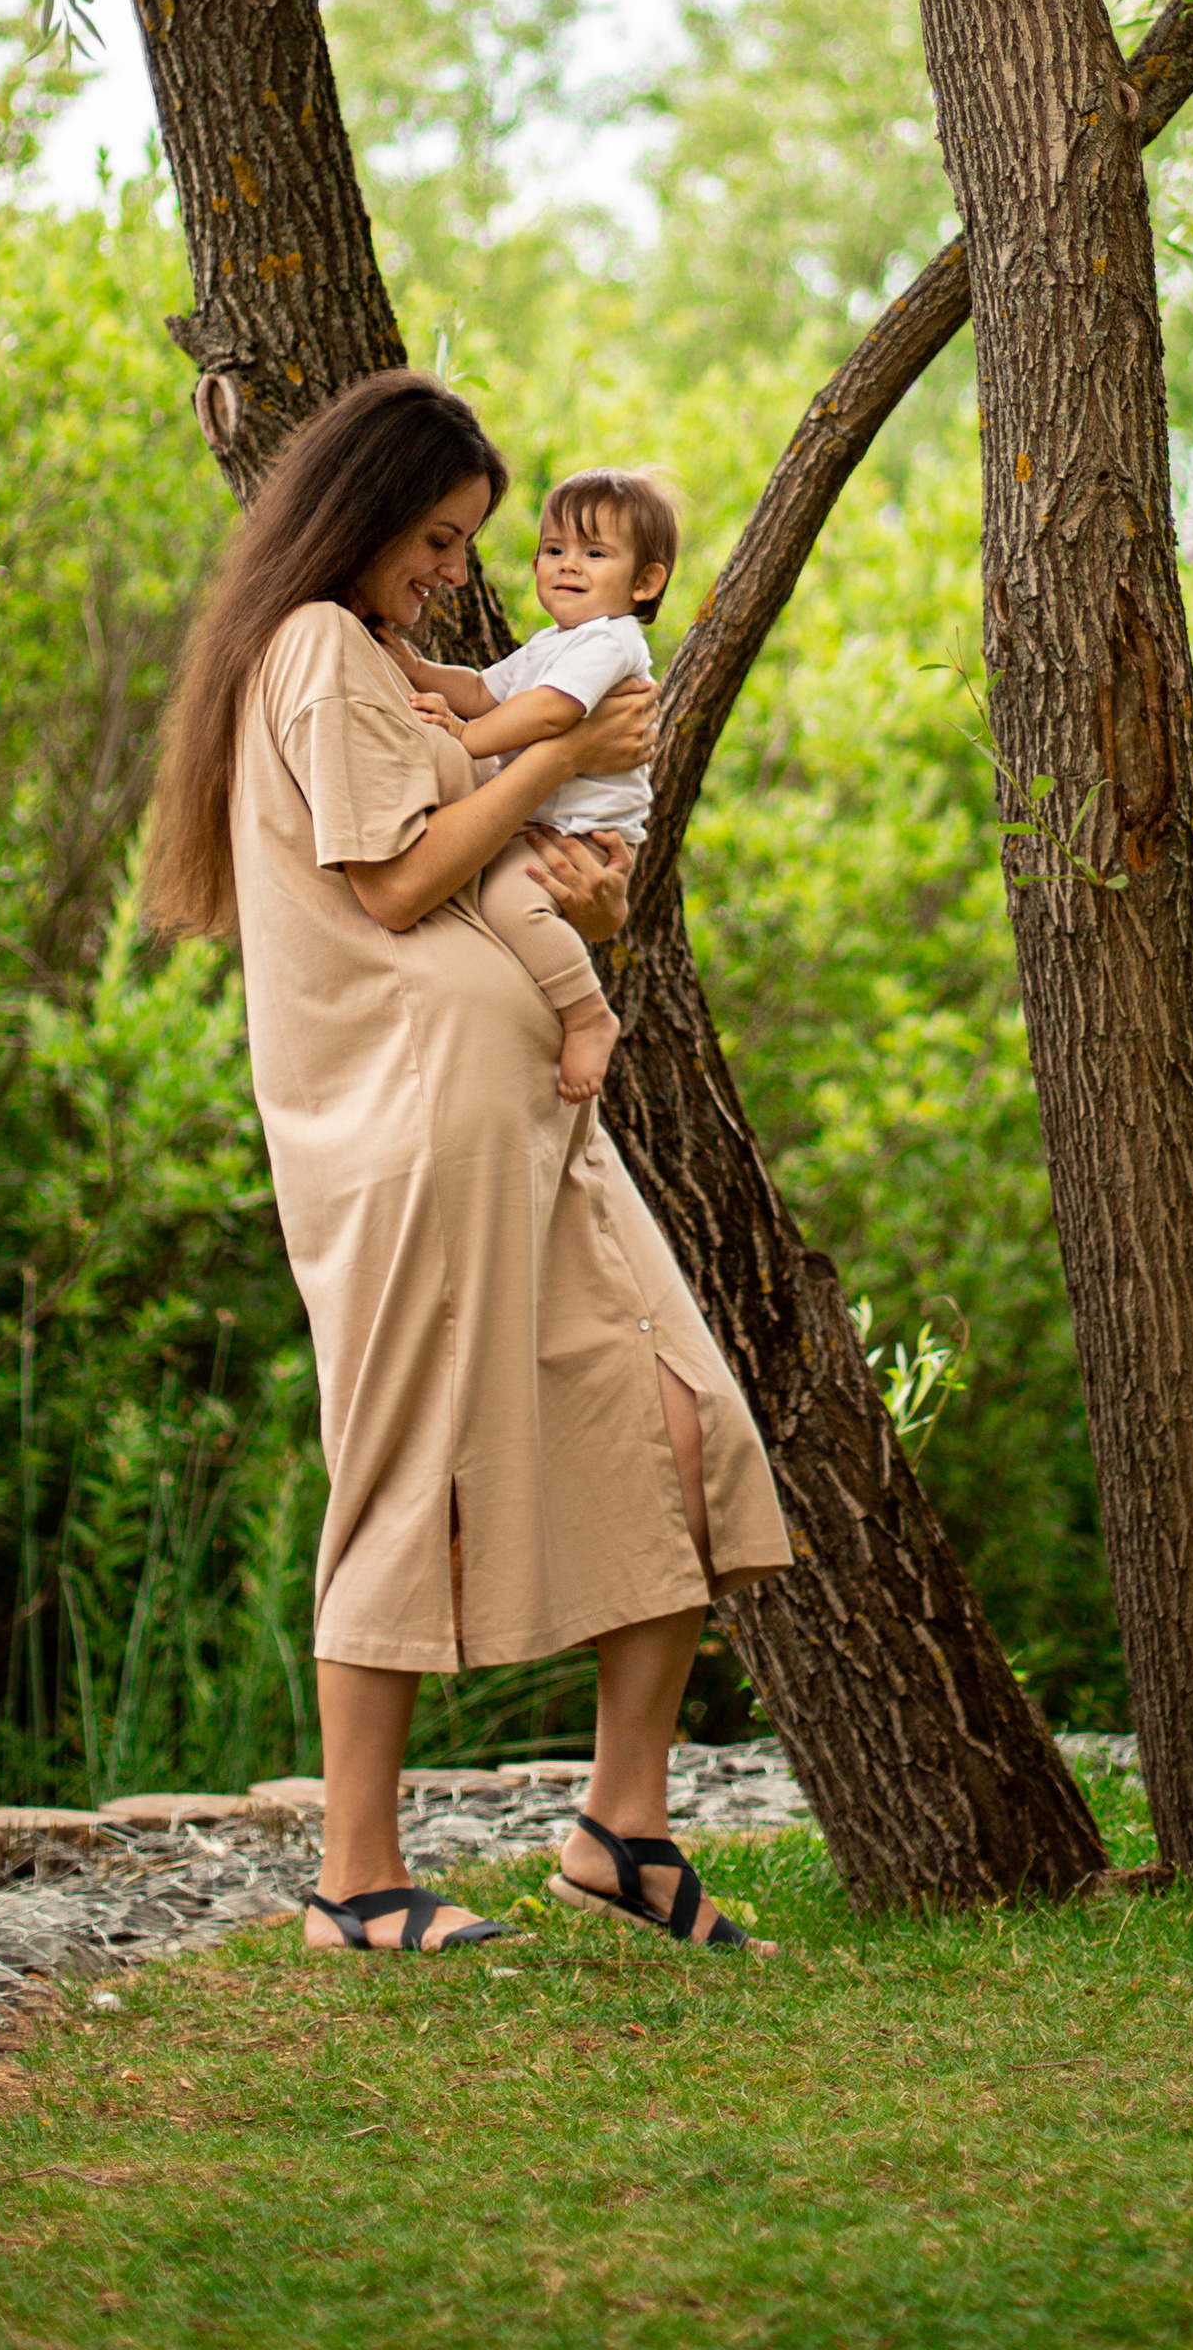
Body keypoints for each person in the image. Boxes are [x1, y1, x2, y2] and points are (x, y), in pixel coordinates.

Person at [143, 370, 791, 1959]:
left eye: (463, 543)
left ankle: (619, 1834)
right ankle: (354, 1881)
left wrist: (586, 900)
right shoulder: (309, 650)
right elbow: (394, 881)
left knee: (685, 1420)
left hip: (536, 1125)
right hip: (414, 1128)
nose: (452, 570)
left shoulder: (384, 660)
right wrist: (562, 739)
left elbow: (486, 867)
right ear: (360, 516)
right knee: (407, 1465)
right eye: (436, 538)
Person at [384, 466, 676, 1117]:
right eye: (554, 549)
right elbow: (488, 687)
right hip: (551, 824)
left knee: (510, 901)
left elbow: (547, 713)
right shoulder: (556, 642)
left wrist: (466, 736)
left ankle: (587, 1014)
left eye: (594, 553)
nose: (568, 566)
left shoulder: (609, 641)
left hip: (585, 837)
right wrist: (419, 669)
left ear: (644, 582)